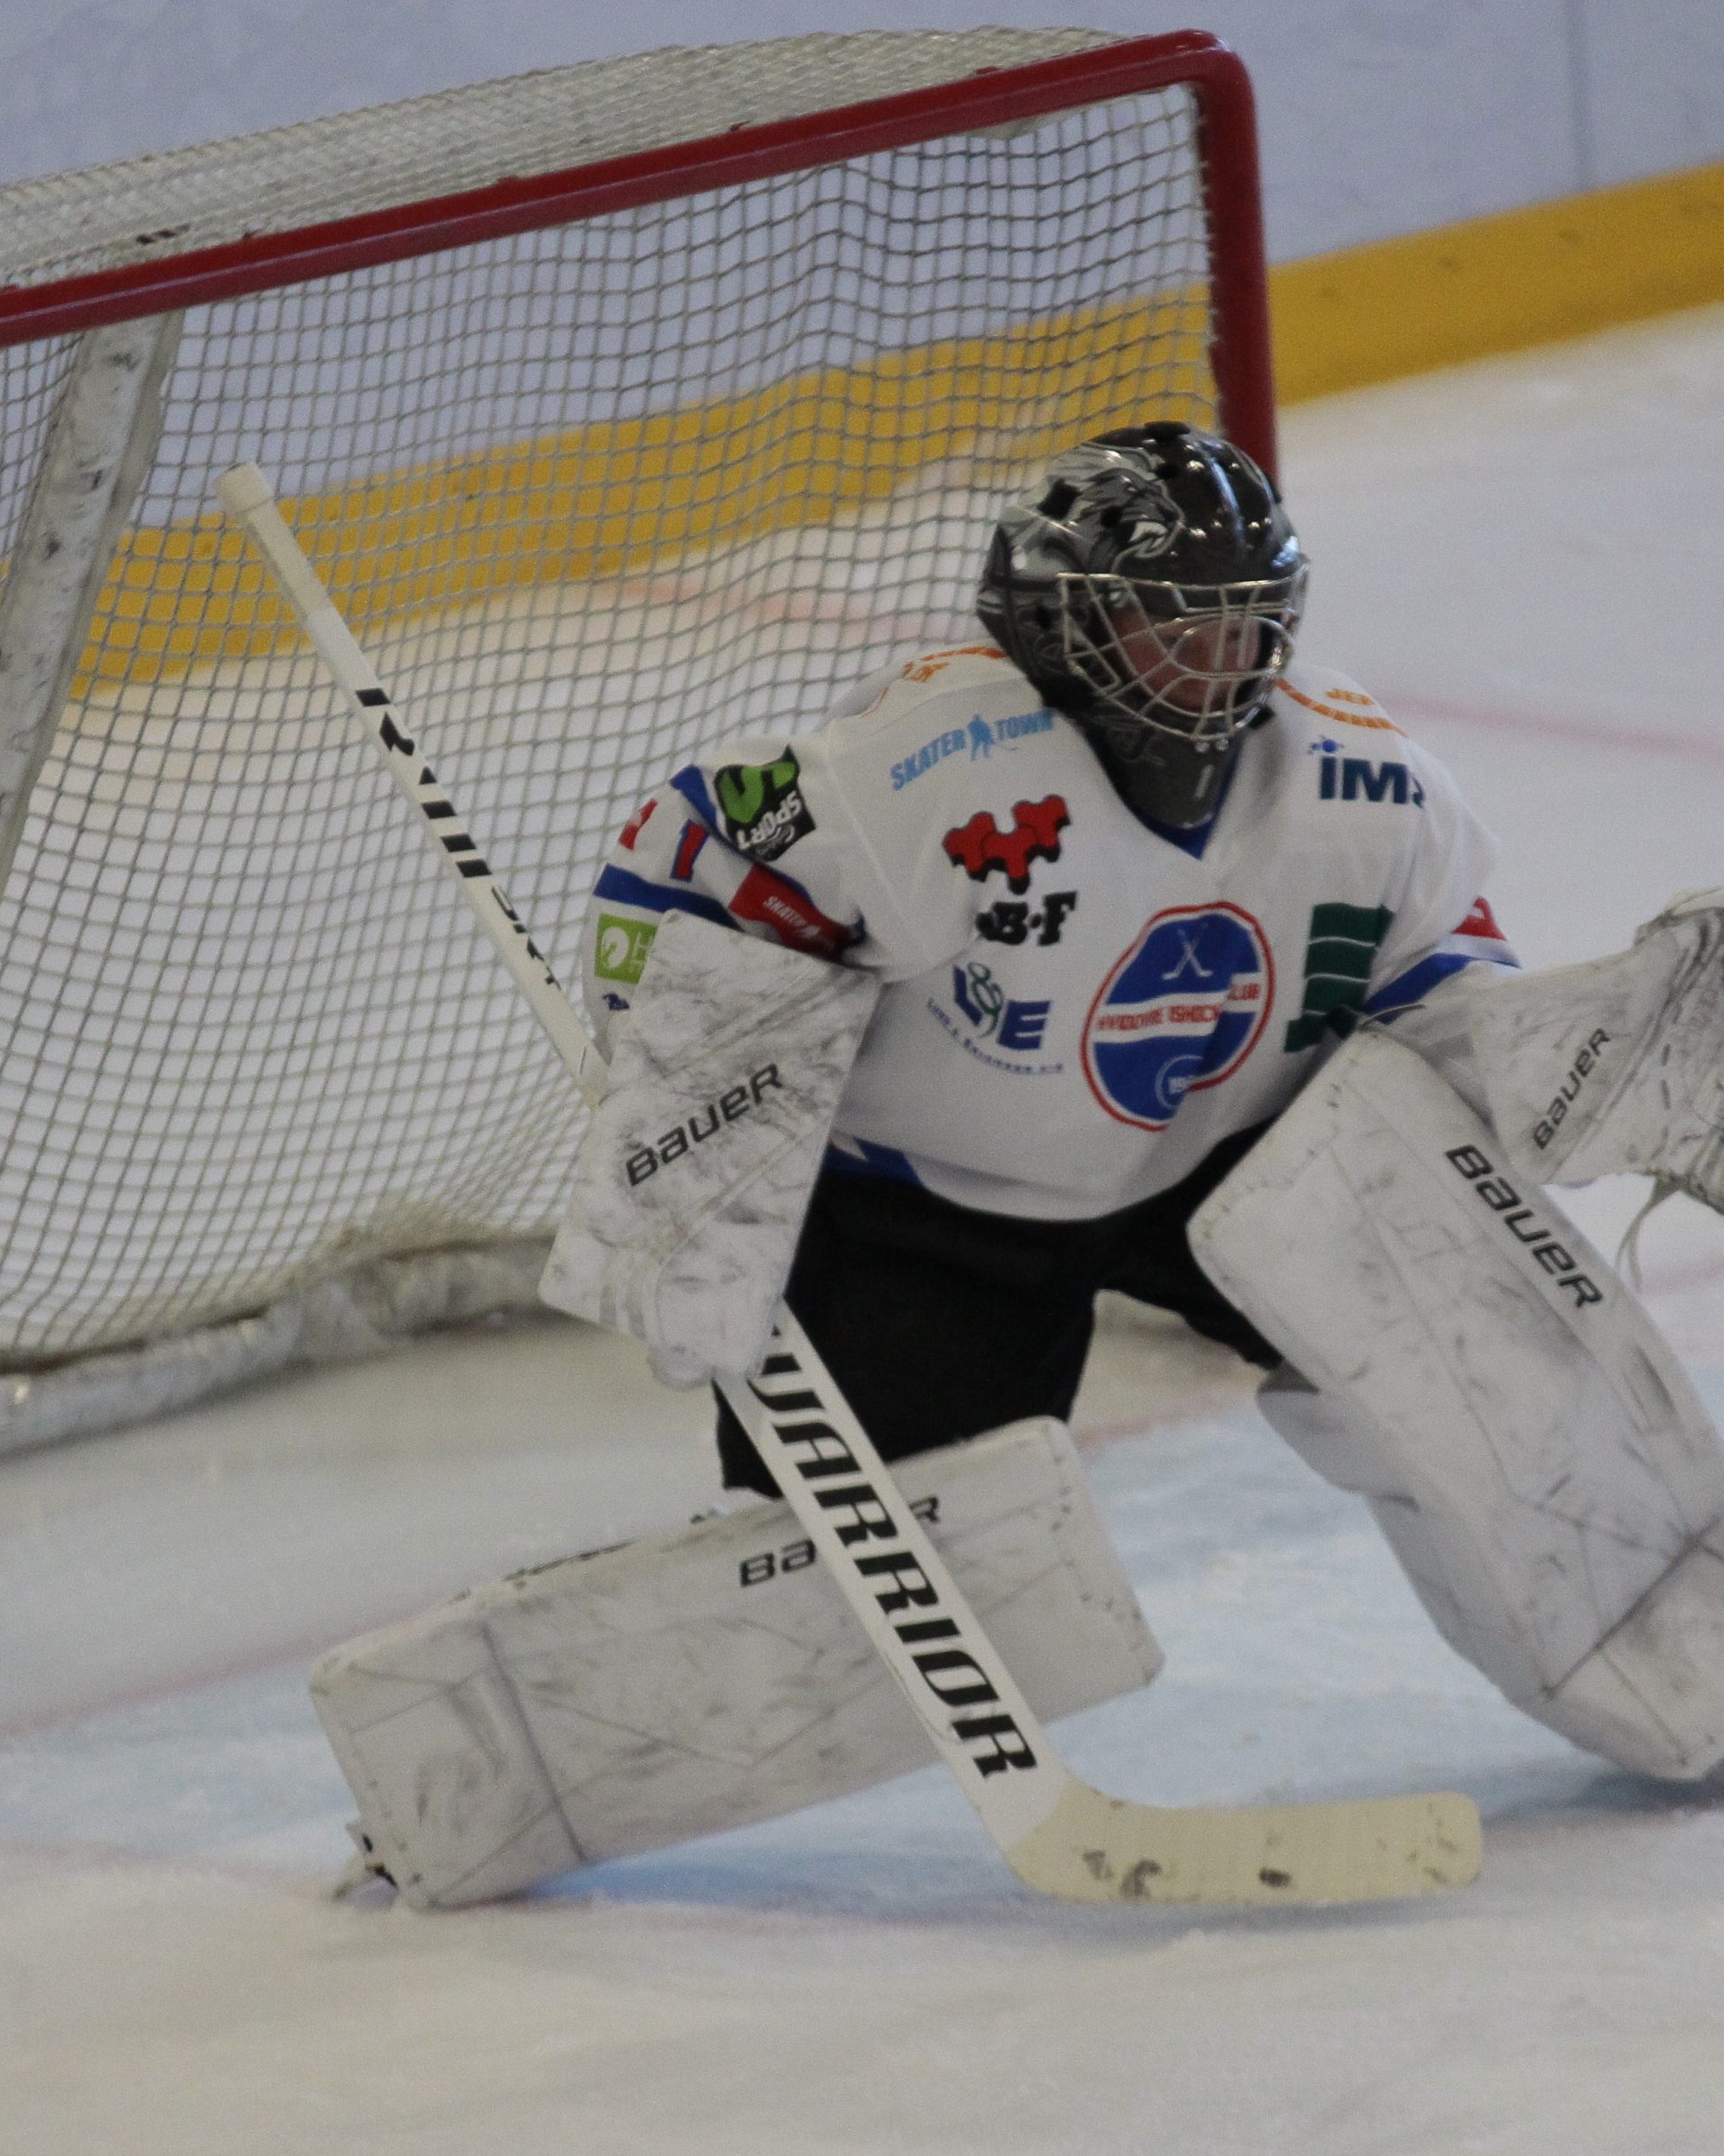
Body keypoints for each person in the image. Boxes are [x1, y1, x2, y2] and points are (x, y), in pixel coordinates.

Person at [554, 421, 1519, 1492]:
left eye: (1247, 625)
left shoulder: (1356, 774)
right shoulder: (926, 772)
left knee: (1487, 1368)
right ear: (1064, 621)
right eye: (1175, 628)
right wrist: (695, 1181)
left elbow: (1436, 960)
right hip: (925, 1216)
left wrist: (1533, 1072)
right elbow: (693, 874)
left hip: (1235, 1164)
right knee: (914, 1541)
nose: (1221, 664)